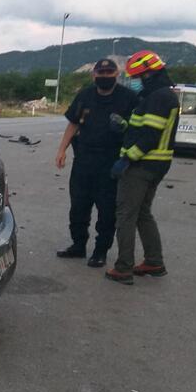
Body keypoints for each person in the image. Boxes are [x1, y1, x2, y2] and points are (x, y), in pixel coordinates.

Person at [104, 50, 179, 285]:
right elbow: (143, 128)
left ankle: (123, 268)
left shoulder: (158, 97)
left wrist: (127, 160)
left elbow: (149, 137)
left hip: (142, 166)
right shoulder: (162, 95)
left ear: (148, 74)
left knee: (126, 215)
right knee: (143, 214)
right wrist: (125, 126)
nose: (136, 82)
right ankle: (154, 261)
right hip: (157, 165)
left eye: (138, 77)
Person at [54, 59, 139, 267]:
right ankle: (78, 245)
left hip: (111, 161)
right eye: (101, 72)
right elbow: (73, 123)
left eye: (109, 72)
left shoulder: (128, 98)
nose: (105, 76)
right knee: (78, 206)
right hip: (84, 159)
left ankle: (100, 251)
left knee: (107, 210)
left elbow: (138, 129)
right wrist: (62, 150)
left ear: (117, 74)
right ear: (94, 75)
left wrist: (125, 131)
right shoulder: (85, 95)